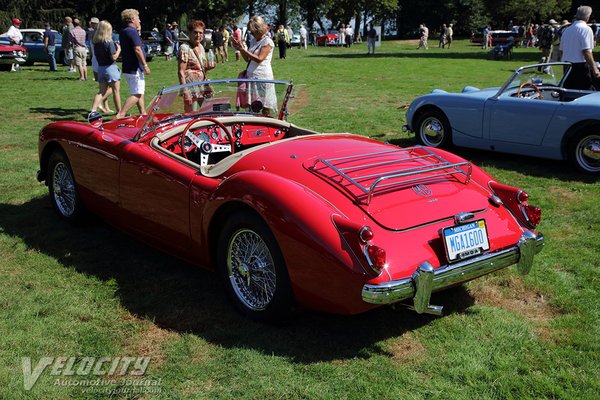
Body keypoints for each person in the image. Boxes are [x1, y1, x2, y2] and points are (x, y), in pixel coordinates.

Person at [231, 15, 277, 116]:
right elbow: (248, 59)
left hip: (263, 78)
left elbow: (259, 59)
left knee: (265, 106)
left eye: (253, 32)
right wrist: (240, 48)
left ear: (259, 29)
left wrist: (244, 50)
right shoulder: (253, 41)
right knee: (252, 106)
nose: (251, 34)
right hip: (251, 77)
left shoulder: (267, 42)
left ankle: (266, 124)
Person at [116, 9, 151, 119]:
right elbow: (137, 49)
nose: (139, 21)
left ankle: (143, 113)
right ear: (132, 19)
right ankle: (121, 115)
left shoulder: (124, 31)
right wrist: (145, 65)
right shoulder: (132, 32)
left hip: (127, 67)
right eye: (138, 18)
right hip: (135, 67)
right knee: (137, 93)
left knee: (138, 91)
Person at [177, 20, 215, 112]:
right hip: (191, 88)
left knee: (208, 112)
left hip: (202, 86)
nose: (198, 35)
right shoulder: (185, 48)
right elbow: (181, 72)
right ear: (189, 33)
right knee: (191, 115)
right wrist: (185, 92)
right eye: (195, 32)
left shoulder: (201, 47)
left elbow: (201, 68)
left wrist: (209, 67)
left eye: (201, 33)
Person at [560, 5, 600, 90]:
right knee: (584, 92)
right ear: (588, 17)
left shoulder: (567, 30)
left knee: (568, 91)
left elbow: (562, 50)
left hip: (566, 65)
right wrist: (594, 69)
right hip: (580, 66)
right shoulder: (586, 29)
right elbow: (586, 51)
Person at [91, 20, 121, 115]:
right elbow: (113, 57)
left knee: (101, 92)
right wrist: (119, 49)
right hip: (110, 68)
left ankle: (93, 110)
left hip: (101, 68)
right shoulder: (109, 42)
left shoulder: (96, 43)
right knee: (116, 91)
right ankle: (119, 112)